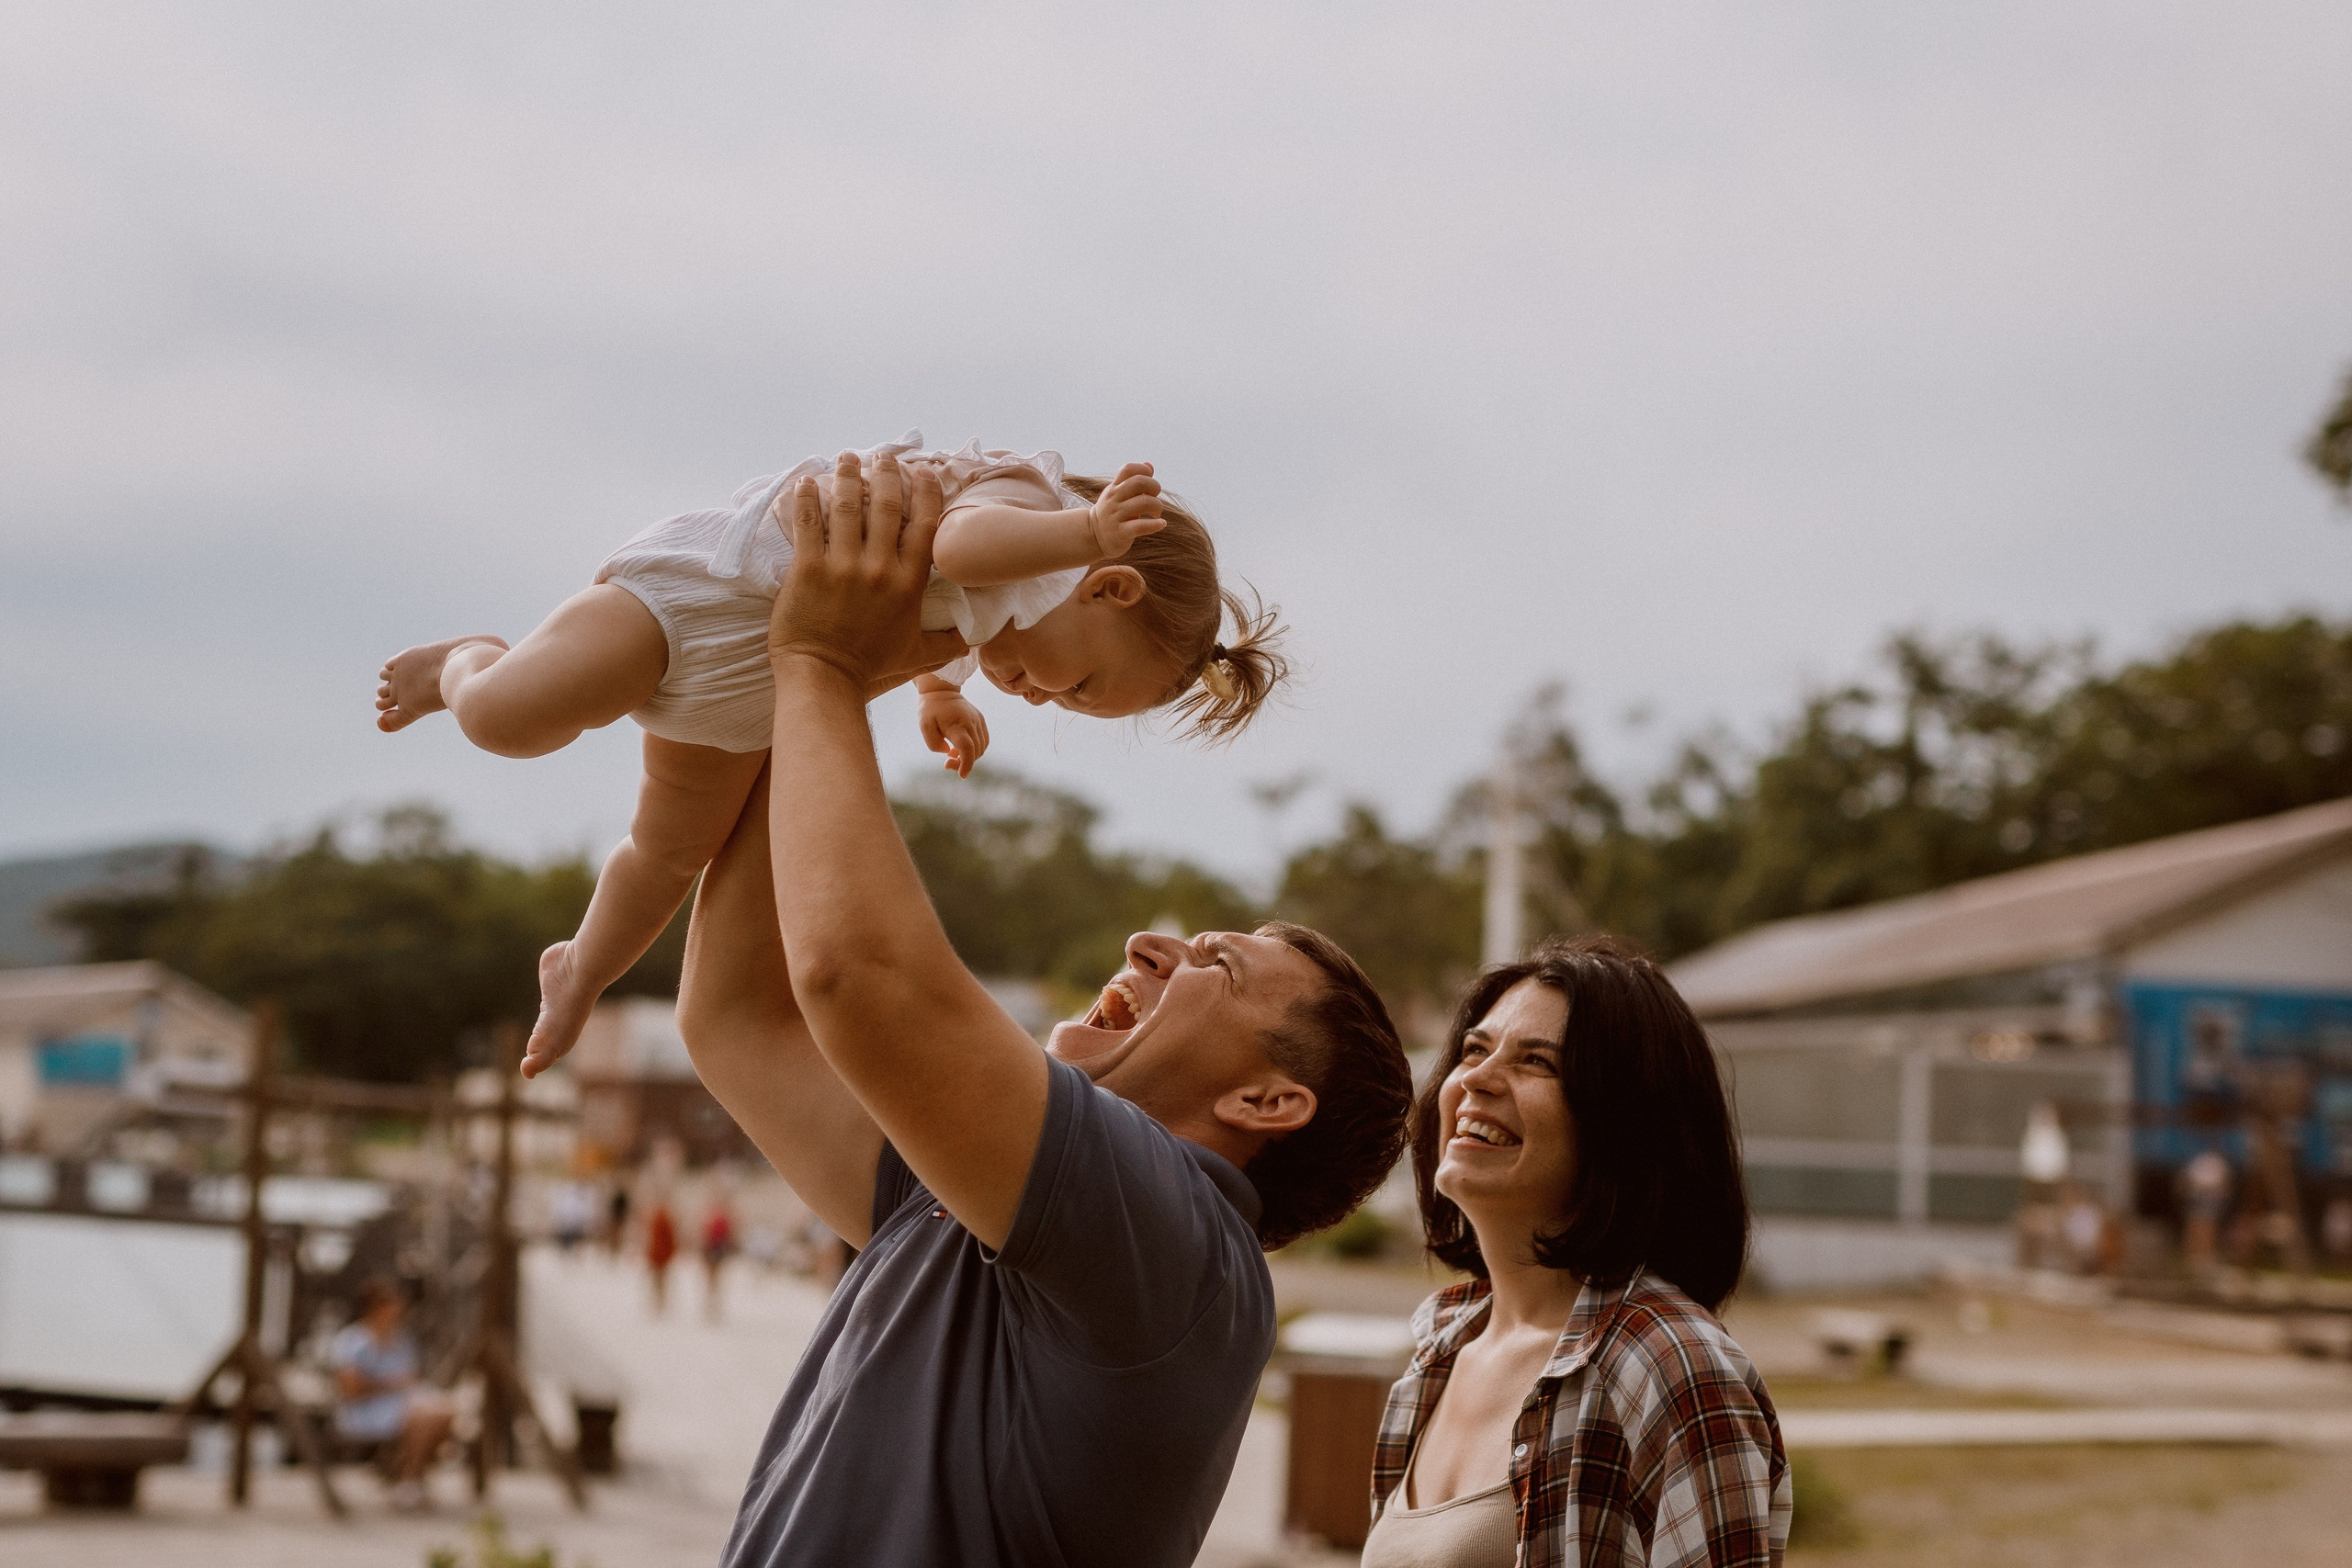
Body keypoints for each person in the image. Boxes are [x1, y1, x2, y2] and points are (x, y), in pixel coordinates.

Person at [674, 456, 1414, 1566]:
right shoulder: (980, 1200)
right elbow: (740, 1019)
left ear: (1269, 1098)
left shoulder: (1181, 1250)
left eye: (1216, 959)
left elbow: (857, 981)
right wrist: (849, 662)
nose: (1150, 944)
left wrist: (821, 659)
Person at [374, 434, 1287, 1077]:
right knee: (510, 719)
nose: (1041, 697)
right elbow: (957, 549)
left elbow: (944, 617)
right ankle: (462, 664)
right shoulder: (1030, 506)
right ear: (1108, 585)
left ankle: (582, 966)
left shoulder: (1018, 596)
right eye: (1075, 685)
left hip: (761, 691)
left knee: (672, 851)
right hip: (702, 603)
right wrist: (1082, 532)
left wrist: (939, 694)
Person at [1365, 937, 1789, 1567]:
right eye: (1475, 1048)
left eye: (1537, 1061)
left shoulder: (1672, 1367)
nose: (1476, 1076)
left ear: (1624, 1124)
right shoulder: (1437, 1355)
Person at [325, 1277, 456, 1513]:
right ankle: (408, 1480)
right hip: (365, 1412)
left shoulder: (403, 1339)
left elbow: (410, 1380)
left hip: (400, 1406)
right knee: (427, 1417)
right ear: (376, 1307)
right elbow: (351, 1390)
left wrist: (395, 1386)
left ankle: (408, 1478)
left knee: (445, 1410)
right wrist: (390, 1385)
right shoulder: (352, 1341)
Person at [644, 1198, 677, 1315]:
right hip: (658, 1253)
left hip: (660, 1253)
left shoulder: (661, 1220)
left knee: (660, 1279)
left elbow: (669, 1239)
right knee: (659, 1279)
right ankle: (659, 1301)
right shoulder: (659, 1219)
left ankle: (660, 1301)